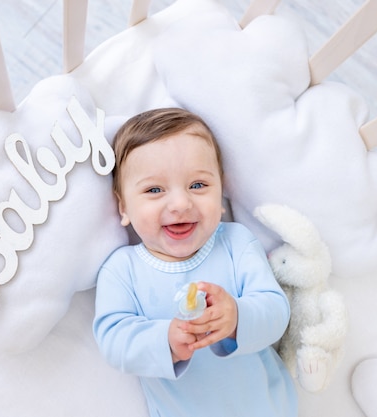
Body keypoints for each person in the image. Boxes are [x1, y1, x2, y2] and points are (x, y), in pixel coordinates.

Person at [93, 108, 297, 416]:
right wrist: (166, 341)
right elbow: (113, 340)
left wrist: (237, 317)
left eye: (198, 185)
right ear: (123, 207)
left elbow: (276, 312)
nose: (180, 204)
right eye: (154, 190)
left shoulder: (236, 243)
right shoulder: (122, 270)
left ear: (221, 191)